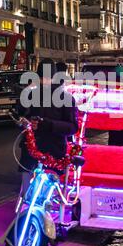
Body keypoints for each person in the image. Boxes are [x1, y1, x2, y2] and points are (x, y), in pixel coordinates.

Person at [16, 58, 78, 193]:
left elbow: (72, 127)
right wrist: (24, 121)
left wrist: (48, 124)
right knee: (26, 186)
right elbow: (21, 114)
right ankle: (26, 205)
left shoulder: (66, 98)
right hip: (31, 148)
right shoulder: (31, 94)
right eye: (41, 77)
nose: (43, 81)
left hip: (53, 150)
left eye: (46, 78)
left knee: (50, 189)